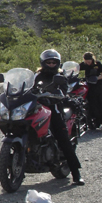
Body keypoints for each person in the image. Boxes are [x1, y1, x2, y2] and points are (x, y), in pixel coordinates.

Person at [34, 49, 85, 185]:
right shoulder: (36, 76)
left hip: (54, 109)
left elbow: (64, 91)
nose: (51, 64)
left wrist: (57, 92)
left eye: (53, 62)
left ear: (58, 63)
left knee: (63, 139)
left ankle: (76, 173)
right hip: (37, 109)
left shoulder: (61, 77)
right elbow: (26, 88)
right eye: (48, 62)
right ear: (43, 63)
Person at [79, 51, 102, 129]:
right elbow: (75, 69)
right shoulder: (83, 65)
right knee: (92, 104)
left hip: (99, 86)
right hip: (90, 86)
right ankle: (93, 122)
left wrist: (96, 78)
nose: (88, 63)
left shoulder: (97, 64)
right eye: (86, 62)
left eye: (89, 61)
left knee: (101, 103)